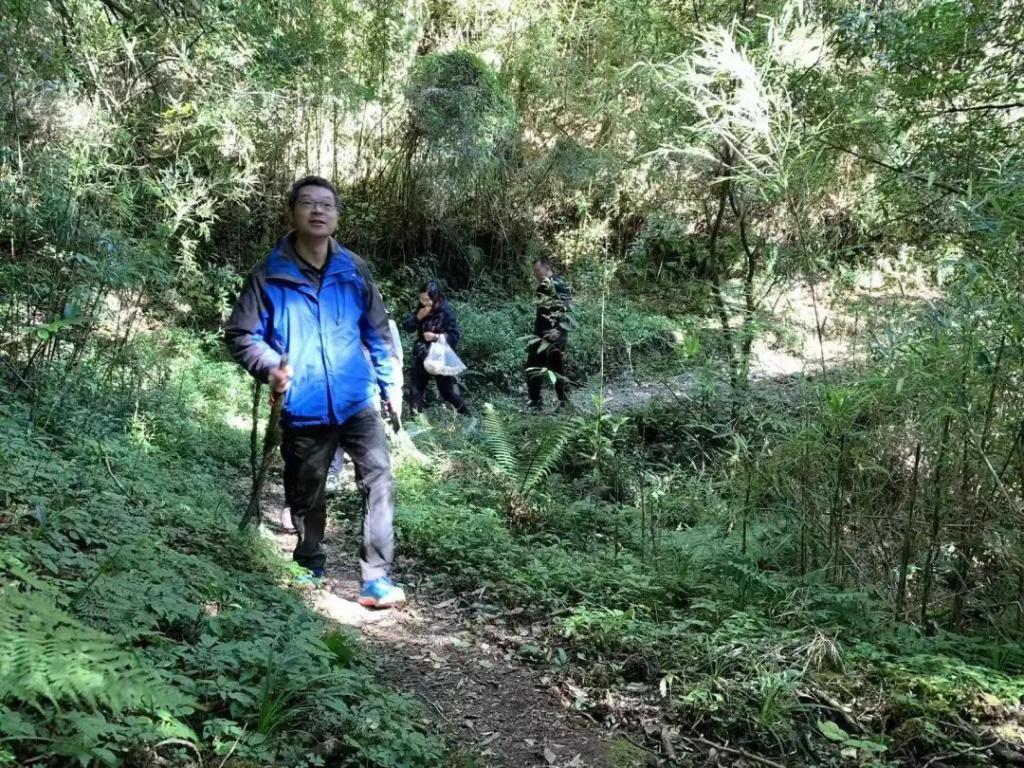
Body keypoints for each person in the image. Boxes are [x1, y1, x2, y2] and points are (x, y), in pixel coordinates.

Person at [225, 175, 405, 608]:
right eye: (308, 203)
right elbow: (241, 334)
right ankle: (309, 563)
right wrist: (270, 366)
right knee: (307, 490)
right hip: (303, 403)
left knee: (379, 478)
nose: (318, 210)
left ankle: (376, 578)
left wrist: (391, 386)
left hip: (356, 398)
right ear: (292, 213)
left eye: (326, 204)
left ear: (337, 217)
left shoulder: (354, 270)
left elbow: (378, 333)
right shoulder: (268, 273)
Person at [325, 316, 404, 496]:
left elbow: (395, 358)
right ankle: (332, 474)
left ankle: (366, 487)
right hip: (342, 387)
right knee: (336, 431)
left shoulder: (387, 325)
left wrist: (394, 391)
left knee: (366, 440)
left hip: (372, 391)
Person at [403, 281, 469, 415]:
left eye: (427, 299)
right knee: (416, 390)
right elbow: (407, 327)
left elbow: (454, 336)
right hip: (423, 353)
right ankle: (416, 421)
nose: (424, 302)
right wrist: (417, 318)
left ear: (435, 297)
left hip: (441, 356)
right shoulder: (421, 309)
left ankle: (469, 416)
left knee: (447, 392)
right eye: (422, 299)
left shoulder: (446, 311)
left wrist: (435, 337)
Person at [526, 257, 572, 410]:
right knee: (532, 367)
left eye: (538, 270)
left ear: (547, 268)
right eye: (534, 271)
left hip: (554, 336)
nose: (536, 274)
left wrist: (559, 331)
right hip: (540, 335)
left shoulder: (559, 285)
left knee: (557, 370)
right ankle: (535, 402)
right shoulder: (542, 286)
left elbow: (568, 313)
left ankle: (565, 404)